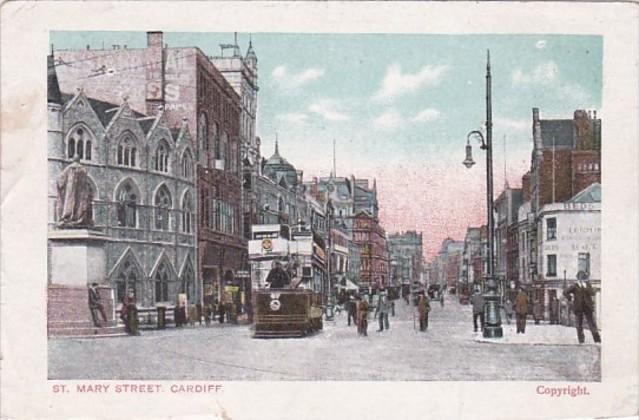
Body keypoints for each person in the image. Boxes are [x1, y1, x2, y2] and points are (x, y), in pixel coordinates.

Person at [563, 271, 601, 344]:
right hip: (578, 307)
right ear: (578, 278)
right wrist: (570, 298)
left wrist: (587, 287)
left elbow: (592, 293)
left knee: (592, 323)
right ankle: (581, 340)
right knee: (579, 324)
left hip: (588, 307)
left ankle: (597, 339)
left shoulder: (587, 285)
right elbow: (565, 292)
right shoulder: (574, 285)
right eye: (580, 278)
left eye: (583, 278)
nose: (581, 279)